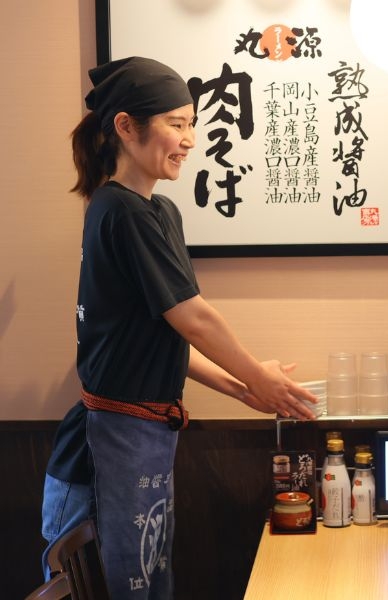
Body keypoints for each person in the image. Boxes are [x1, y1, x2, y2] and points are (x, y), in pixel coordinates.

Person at [40, 56, 317, 599]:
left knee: (152, 577)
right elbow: (194, 316)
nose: (190, 138)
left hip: (149, 433)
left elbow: (170, 335)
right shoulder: (119, 210)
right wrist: (256, 377)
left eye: (192, 123)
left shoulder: (159, 211)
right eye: (176, 123)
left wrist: (244, 389)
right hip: (109, 440)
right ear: (125, 127)